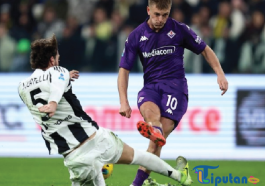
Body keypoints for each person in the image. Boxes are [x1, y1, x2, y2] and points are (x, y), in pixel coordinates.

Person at [18, 34, 193, 186]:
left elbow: (53, 81)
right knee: (140, 157)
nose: (58, 61)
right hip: (95, 141)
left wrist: (65, 79)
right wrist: (55, 101)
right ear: (51, 60)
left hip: (72, 157)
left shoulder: (22, 87)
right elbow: (57, 78)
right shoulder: (57, 72)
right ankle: (179, 176)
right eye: (57, 57)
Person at [117, 0, 228, 186]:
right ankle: (153, 132)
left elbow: (205, 50)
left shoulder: (179, 30)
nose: (160, 19)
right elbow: (124, 70)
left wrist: (219, 73)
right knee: (153, 122)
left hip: (175, 89)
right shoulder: (136, 36)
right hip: (150, 87)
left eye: (165, 14)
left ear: (169, 12)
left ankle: (142, 172)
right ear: (148, 10)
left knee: (157, 140)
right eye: (157, 14)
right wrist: (123, 101)